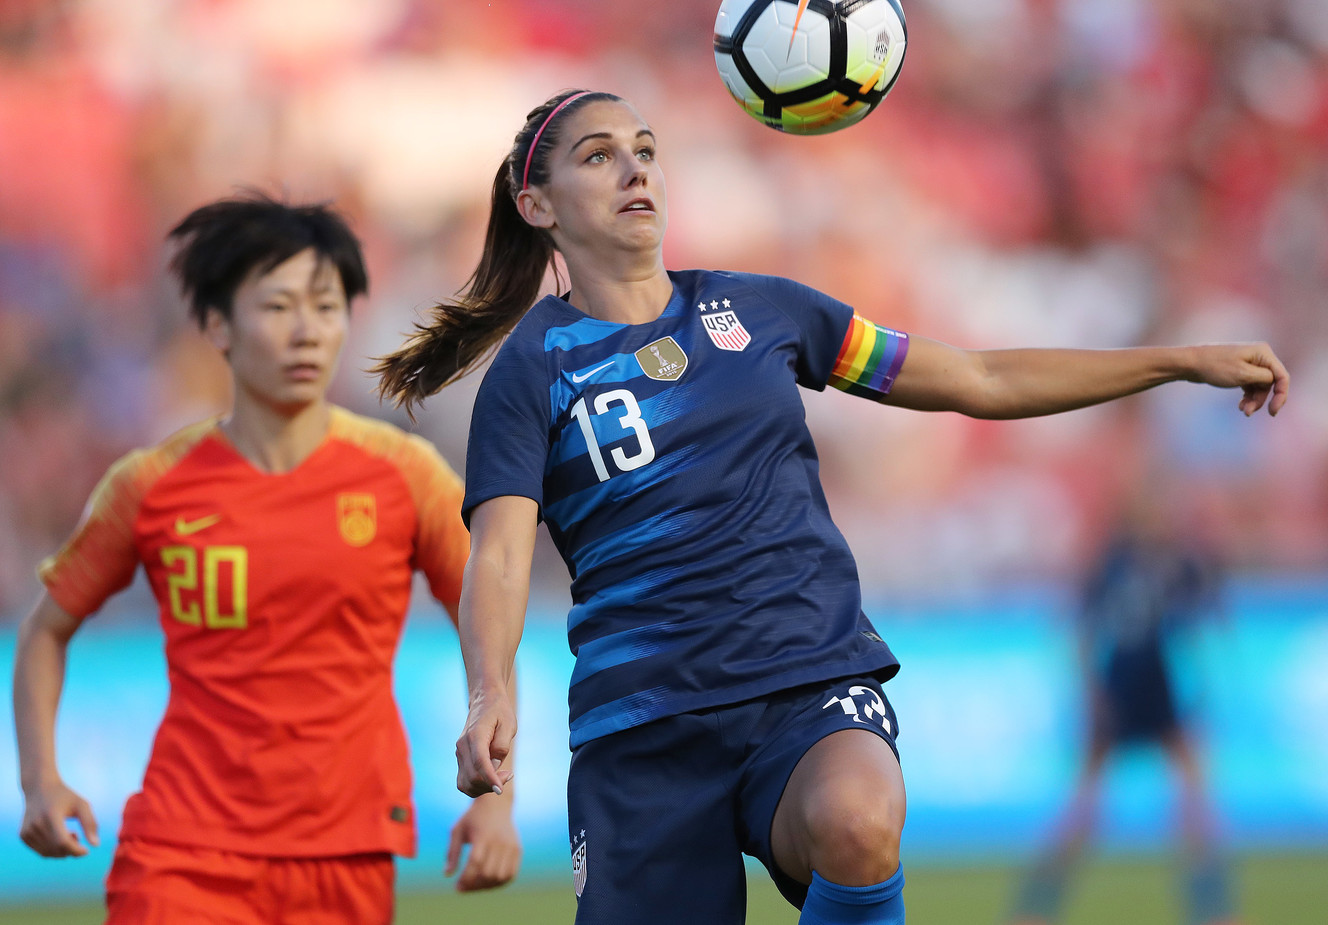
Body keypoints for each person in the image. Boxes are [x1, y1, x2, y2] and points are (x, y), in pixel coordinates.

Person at [374, 89, 1288, 925]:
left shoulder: (762, 310)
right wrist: (492, 693)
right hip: (643, 724)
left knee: (855, 819)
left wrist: (1176, 360)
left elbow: (976, 375)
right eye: (599, 155)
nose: (636, 168)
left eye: (646, 148)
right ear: (538, 206)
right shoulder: (533, 371)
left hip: (803, 679)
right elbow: (498, 554)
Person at [12, 193, 521, 924]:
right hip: (181, 850)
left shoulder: (403, 475)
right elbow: (43, 630)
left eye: (326, 304)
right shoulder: (150, 484)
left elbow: (491, 621)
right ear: (218, 324)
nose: (307, 330)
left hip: (346, 854)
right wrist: (40, 780)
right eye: (278, 306)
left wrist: (498, 800)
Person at [1008, 489, 1241, 925]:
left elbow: (1202, 611)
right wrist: (1093, 694)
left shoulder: (1129, 565)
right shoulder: (1137, 564)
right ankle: (1216, 910)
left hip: (1145, 685)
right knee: (1102, 809)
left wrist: (1092, 690)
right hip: (1133, 686)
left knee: (1187, 805)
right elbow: (1207, 614)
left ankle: (1034, 908)